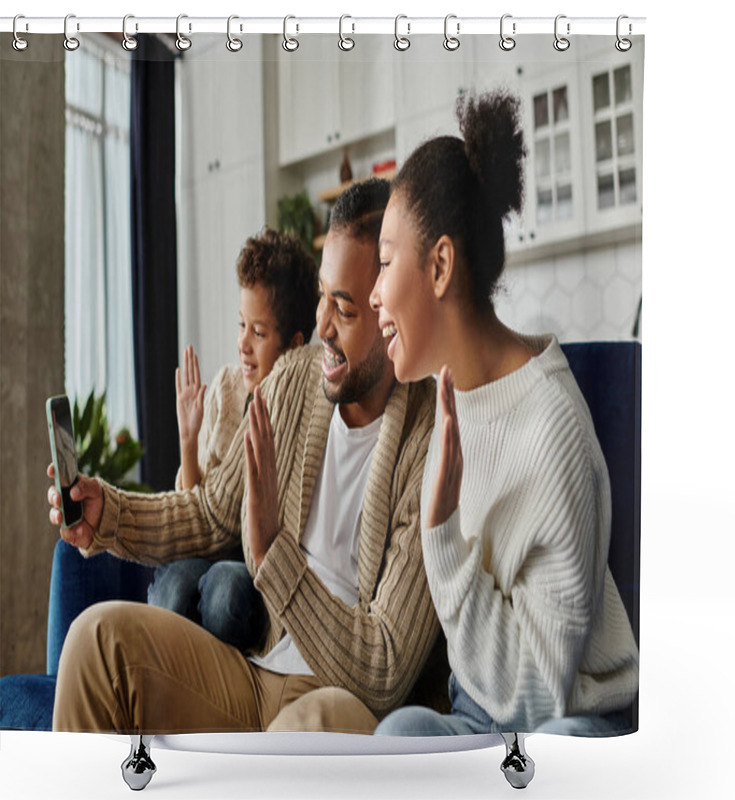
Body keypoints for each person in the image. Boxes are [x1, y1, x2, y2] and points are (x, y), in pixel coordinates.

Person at [47, 179, 442, 735]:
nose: (323, 327)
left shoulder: (430, 438)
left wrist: (274, 557)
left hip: (341, 699)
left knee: (309, 729)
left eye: (346, 310)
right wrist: (107, 514)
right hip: (254, 671)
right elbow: (211, 512)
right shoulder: (294, 381)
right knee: (95, 642)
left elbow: (384, 670)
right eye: (323, 296)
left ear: (390, 307)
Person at [368, 91, 639, 737]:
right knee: (397, 737)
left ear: (438, 266)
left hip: (561, 716)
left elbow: (537, 698)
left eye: (383, 262)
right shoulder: (450, 398)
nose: (375, 292)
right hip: (478, 710)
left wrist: (440, 533)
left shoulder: (552, 431)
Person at [146, 228, 318, 653]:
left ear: (294, 344)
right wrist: (188, 442)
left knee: (225, 591)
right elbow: (195, 512)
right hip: (204, 552)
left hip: (253, 568)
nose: (242, 343)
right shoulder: (225, 390)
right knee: (174, 588)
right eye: (242, 325)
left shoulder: (304, 408)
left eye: (258, 333)